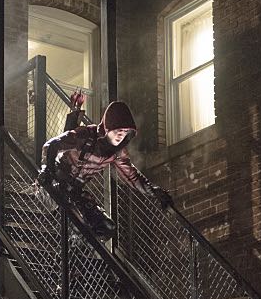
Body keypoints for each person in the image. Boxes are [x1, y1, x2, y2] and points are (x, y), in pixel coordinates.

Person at [37, 100, 172, 240]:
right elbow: (51, 145)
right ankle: (67, 239)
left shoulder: (117, 153)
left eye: (125, 132)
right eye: (118, 130)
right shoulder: (86, 135)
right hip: (54, 183)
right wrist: (47, 170)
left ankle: (78, 246)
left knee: (106, 228)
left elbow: (132, 176)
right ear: (108, 128)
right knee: (76, 222)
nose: (121, 135)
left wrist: (155, 192)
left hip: (75, 191)